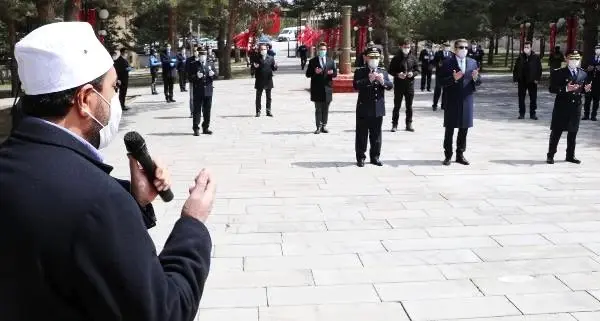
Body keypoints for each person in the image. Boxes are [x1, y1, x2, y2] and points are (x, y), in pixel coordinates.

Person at [0, 21, 214, 320]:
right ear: (86, 99)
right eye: (114, 88)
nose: (115, 99)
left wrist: (134, 201)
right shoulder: (100, 201)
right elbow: (164, 312)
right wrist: (192, 225)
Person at [440, 39, 482, 166]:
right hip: (452, 99)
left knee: (464, 128)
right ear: (455, 49)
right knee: (450, 128)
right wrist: (453, 79)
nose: (464, 49)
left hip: (467, 99)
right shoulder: (447, 63)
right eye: (461, 47)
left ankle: (460, 154)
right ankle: (448, 155)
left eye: (466, 47)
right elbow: (440, 82)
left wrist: (476, 78)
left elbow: (478, 81)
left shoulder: (473, 62)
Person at [547, 50, 592, 164]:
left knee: (573, 132)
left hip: (575, 107)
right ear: (566, 59)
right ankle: (551, 155)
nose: (574, 61)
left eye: (577, 59)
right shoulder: (559, 72)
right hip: (562, 106)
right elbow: (552, 89)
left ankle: (570, 155)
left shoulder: (583, 73)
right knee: (556, 132)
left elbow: (583, 89)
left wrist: (586, 90)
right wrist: (566, 89)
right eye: (572, 58)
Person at [353, 47, 393, 167]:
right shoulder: (360, 71)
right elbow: (355, 85)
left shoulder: (383, 71)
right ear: (366, 58)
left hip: (378, 108)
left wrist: (382, 82)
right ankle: (361, 157)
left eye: (376, 57)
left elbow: (390, 85)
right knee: (362, 134)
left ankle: (375, 157)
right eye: (372, 57)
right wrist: (368, 80)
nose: (374, 60)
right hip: (363, 107)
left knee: (376, 134)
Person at [306, 42, 338, 134]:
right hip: (317, 88)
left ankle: (324, 125)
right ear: (318, 50)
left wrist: (332, 73)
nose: (322, 51)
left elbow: (335, 74)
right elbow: (307, 74)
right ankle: (318, 127)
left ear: (326, 50)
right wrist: (314, 72)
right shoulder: (313, 61)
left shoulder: (330, 61)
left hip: (327, 88)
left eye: (324, 49)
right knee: (318, 108)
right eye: (321, 49)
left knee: (326, 108)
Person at [389, 40, 420, 132]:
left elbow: (417, 70)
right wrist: (398, 74)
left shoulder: (413, 58)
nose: (407, 49)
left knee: (409, 106)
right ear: (401, 47)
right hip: (399, 85)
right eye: (405, 47)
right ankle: (394, 124)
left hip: (409, 85)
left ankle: (409, 124)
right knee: (397, 106)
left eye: (408, 47)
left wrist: (413, 74)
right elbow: (390, 70)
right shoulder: (396, 58)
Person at [188, 48, 217, 136]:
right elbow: (189, 78)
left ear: (206, 56)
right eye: (201, 56)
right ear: (199, 56)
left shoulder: (210, 64)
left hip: (208, 90)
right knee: (197, 110)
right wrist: (196, 76)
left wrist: (213, 75)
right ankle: (196, 128)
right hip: (198, 91)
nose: (202, 57)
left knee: (207, 110)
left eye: (204, 56)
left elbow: (216, 75)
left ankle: (206, 127)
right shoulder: (194, 65)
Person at [513, 41, 542, 120]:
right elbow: (516, 68)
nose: (526, 48)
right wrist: (516, 78)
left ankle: (533, 114)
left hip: (532, 81)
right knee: (521, 98)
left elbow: (539, 69)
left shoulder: (535, 57)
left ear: (531, 48)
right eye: (525, 47)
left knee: (533, 98)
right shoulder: (520, 56)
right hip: (522, 81)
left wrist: (537, 79)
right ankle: (521, 113)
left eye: (528, 47)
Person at [253, 43, 278, 117]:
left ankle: (268, 111)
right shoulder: (256, 57)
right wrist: (255, 67)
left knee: (269, 97)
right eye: (262, 49)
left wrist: (276, 66)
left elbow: (273, 68)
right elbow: (253, 68)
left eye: (264, 49)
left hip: (268, 79)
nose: (263, 50)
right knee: (258, 97)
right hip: (259, 79)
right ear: (259, 50)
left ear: (267, 50)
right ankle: (258, 111)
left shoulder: (271, 58)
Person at [433, 42, 454, 111]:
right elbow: (434, 62)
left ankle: (444, 105)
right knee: (438, 90)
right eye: (445, 46)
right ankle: (435, 105)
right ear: (443, 47)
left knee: (446, 91)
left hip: (447, 75)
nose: (447, 48)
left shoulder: (451, 54)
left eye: (448, 46)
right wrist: (437, 64)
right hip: (439, 74)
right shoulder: (438, 53)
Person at [582, 44, 600, 121]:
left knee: (596, 99)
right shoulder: (590, 58)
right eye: (597, 48)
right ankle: (586, 114)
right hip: (589, 80)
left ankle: (594, 115)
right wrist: (588, 68)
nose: (598, 50)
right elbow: (583, 67)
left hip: (598, 82)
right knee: (587, 98)